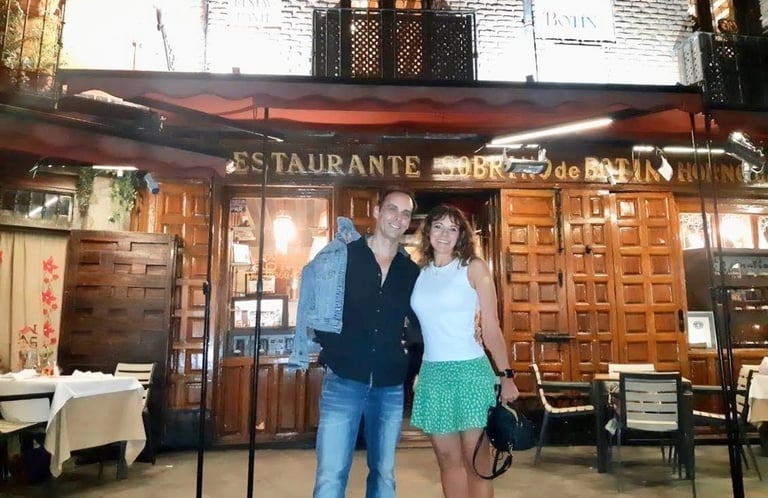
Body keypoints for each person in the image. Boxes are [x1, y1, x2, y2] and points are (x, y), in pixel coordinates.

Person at [310, 187, 421, 498]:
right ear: (376, 211)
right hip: (344, 381)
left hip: (389, 386)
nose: (398, 218)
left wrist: (409, 362)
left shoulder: (410, 272)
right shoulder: (345, 256)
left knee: (384, 474)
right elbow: (316, 306)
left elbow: (423, 322)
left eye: (405, 213)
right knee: (331, 474)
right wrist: (336, 350)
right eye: (392, 209)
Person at [410, 204, 520, 498]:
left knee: (476, 463)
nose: (444, 234)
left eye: (452, 228)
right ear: (428, 231)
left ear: (461, 234)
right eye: (438, 226)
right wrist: (421, 368)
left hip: (471, 372)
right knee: (447, 462)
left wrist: (506, 374)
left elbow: (492, 326)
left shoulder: (474, 268)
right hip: (434, 376)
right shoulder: (419, 272)